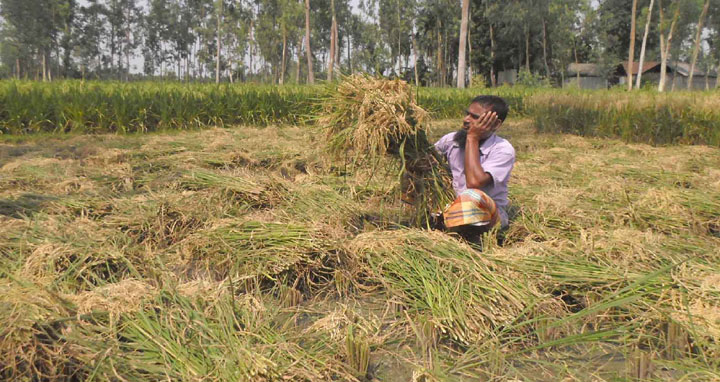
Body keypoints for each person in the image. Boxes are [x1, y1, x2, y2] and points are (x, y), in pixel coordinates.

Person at [433, 95, 515, 241]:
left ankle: (459, 231)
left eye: (475, 117)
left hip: (486, 212)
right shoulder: (451, 140)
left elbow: (474, 183)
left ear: (495, 124)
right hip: (454, 205)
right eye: (467, 114)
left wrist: (472, 138)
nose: (466, 120)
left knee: (471, 198)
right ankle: (446, 221)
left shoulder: (503, 149)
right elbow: (428, 160)